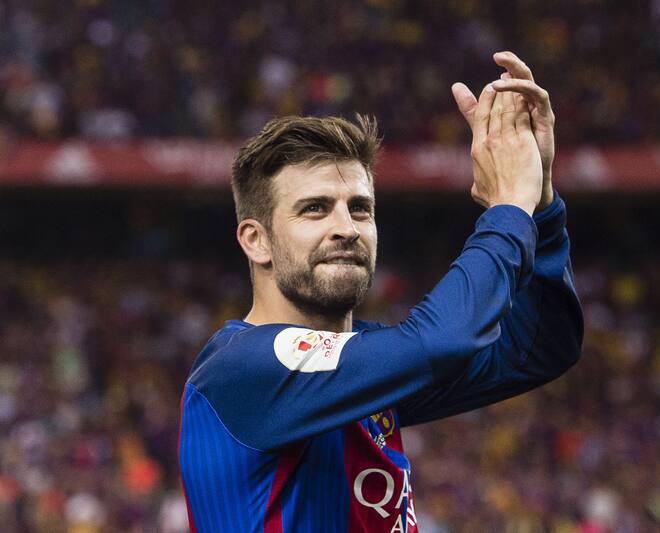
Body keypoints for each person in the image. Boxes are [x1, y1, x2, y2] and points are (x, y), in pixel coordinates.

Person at [178, 51, 583, 533]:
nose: (346, 228)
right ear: (256, 240)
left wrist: (541, 206)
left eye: (361, 208)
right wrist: (509, 208)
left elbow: (537, 350)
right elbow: (439, 342)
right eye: (314, 209)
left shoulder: (355, 369)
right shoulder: (245, 368)